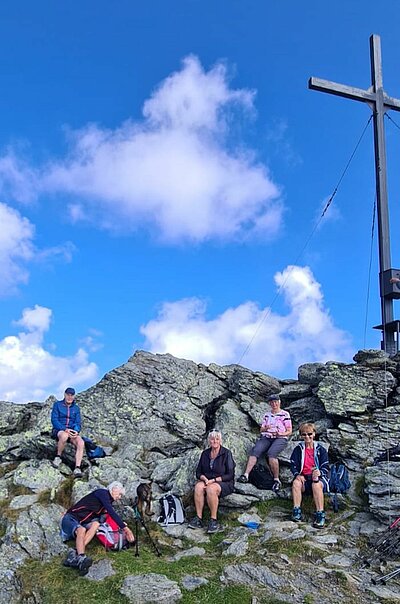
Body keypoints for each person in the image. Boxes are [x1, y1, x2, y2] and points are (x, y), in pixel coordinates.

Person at [61, 481, 134, 574]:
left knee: (96, 524)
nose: (119, 497)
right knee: (82, 530)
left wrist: (121, 524)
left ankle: (75, 553)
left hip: (82, 522)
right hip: (70, 518)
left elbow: (107, 517)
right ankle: (81, 557)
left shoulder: (107, 501)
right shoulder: (102, 493)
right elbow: (111, 512)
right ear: (114, 489)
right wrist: (126, 529)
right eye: (119, 494)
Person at [238, 394, 292, 492]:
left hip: (280, 438)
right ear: (270, 404)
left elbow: (289, 430)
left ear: (279, 402)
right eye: (272, 402)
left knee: (271, 454)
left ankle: (276, 479)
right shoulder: (267, 415)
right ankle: (245, 475)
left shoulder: (285, 414)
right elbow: (261, 429)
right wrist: (266, 428)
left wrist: (281, 433)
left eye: (276, 402)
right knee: (255, 450)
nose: (274, 404)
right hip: (267, 437)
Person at [188, 430, 235, 534]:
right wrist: (204, 479)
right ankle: (198, 518)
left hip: (224, 482)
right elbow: (198, 472)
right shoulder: (205, 454)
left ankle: (213, 520)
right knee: (198, 487)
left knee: (211, 489)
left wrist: (214, 481)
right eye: (212, 439)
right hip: (207, 480)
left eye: (217, 439)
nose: (215, 441)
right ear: (209, 440)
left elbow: (230, 474)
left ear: (220, 441)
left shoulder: (226, 453)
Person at [290, 422, 329, 528]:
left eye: (309, 434)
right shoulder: (298, 449)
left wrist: (319, 473)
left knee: (316, 485)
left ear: (314, 434)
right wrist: (297, 474)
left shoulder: (321, 450)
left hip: (318, 478)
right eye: (304, 434)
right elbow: (293, 465)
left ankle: (320, 514)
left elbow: (325, 466)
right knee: (296, 483)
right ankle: (296, 511)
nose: (307, 436)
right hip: (304, 477)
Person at [51, 387, 84, 477]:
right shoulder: (57, 405)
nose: (69, 397)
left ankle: (77, 468)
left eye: (71, 395)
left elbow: (78, 422)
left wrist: (76, 431)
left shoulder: (76, 408)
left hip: (71, 431)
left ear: (74, 396)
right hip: (59, 430)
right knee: (64, 436)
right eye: (68, 395)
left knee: (81, 442)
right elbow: (54, 420)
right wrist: (64, 429)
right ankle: (58, 457)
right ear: (64, 395)